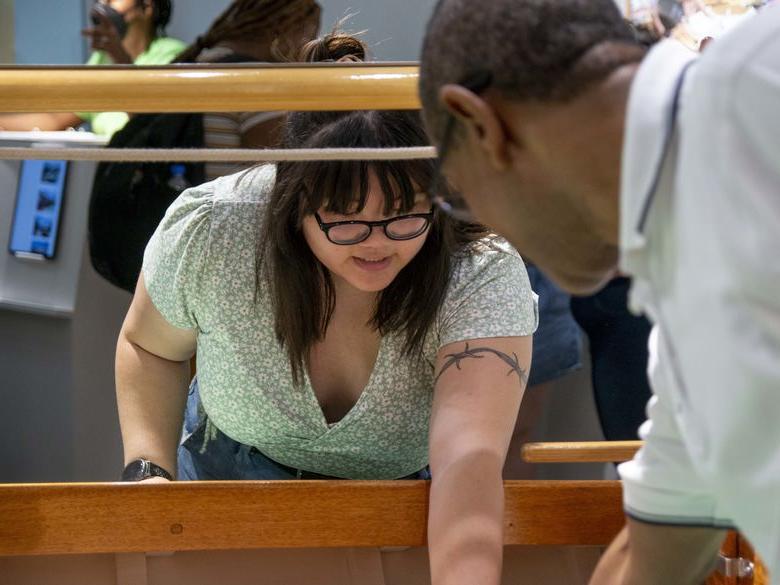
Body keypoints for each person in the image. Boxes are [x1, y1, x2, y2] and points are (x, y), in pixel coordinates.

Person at [116, 32, 539, 585]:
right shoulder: (221, 228)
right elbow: (150, 346)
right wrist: (150, 475)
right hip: (223, 485)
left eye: (404, 215)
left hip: (395, 506)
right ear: (292, 203)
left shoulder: (476, 268)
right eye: (344, 219)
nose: (376, 243)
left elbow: (469, 463)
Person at [418, 1, 780, 583]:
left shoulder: (763, 76)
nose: (490, 229)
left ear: (482, 125)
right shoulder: (683, 341)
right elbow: (650, 558)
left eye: (459, 198)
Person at [0, 0, 185, 137]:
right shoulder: (102, 58)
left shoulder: (173, 54)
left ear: (147, 7)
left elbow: (150, 127)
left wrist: (121, 60)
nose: (104, 3)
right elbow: (56, 120)